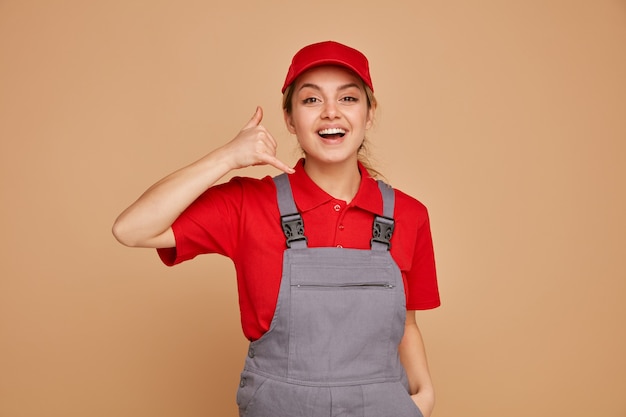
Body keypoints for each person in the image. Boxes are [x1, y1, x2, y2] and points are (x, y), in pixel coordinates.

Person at [113, 40, 440, 417]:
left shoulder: (409, 215)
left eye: (348, 99)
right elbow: (131, 229)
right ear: (289, 119)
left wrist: (424, 396)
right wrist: (227, 157)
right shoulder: (248, 204)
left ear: (368, 115)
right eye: (311, 100)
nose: (330, 113)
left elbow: (407, 326)